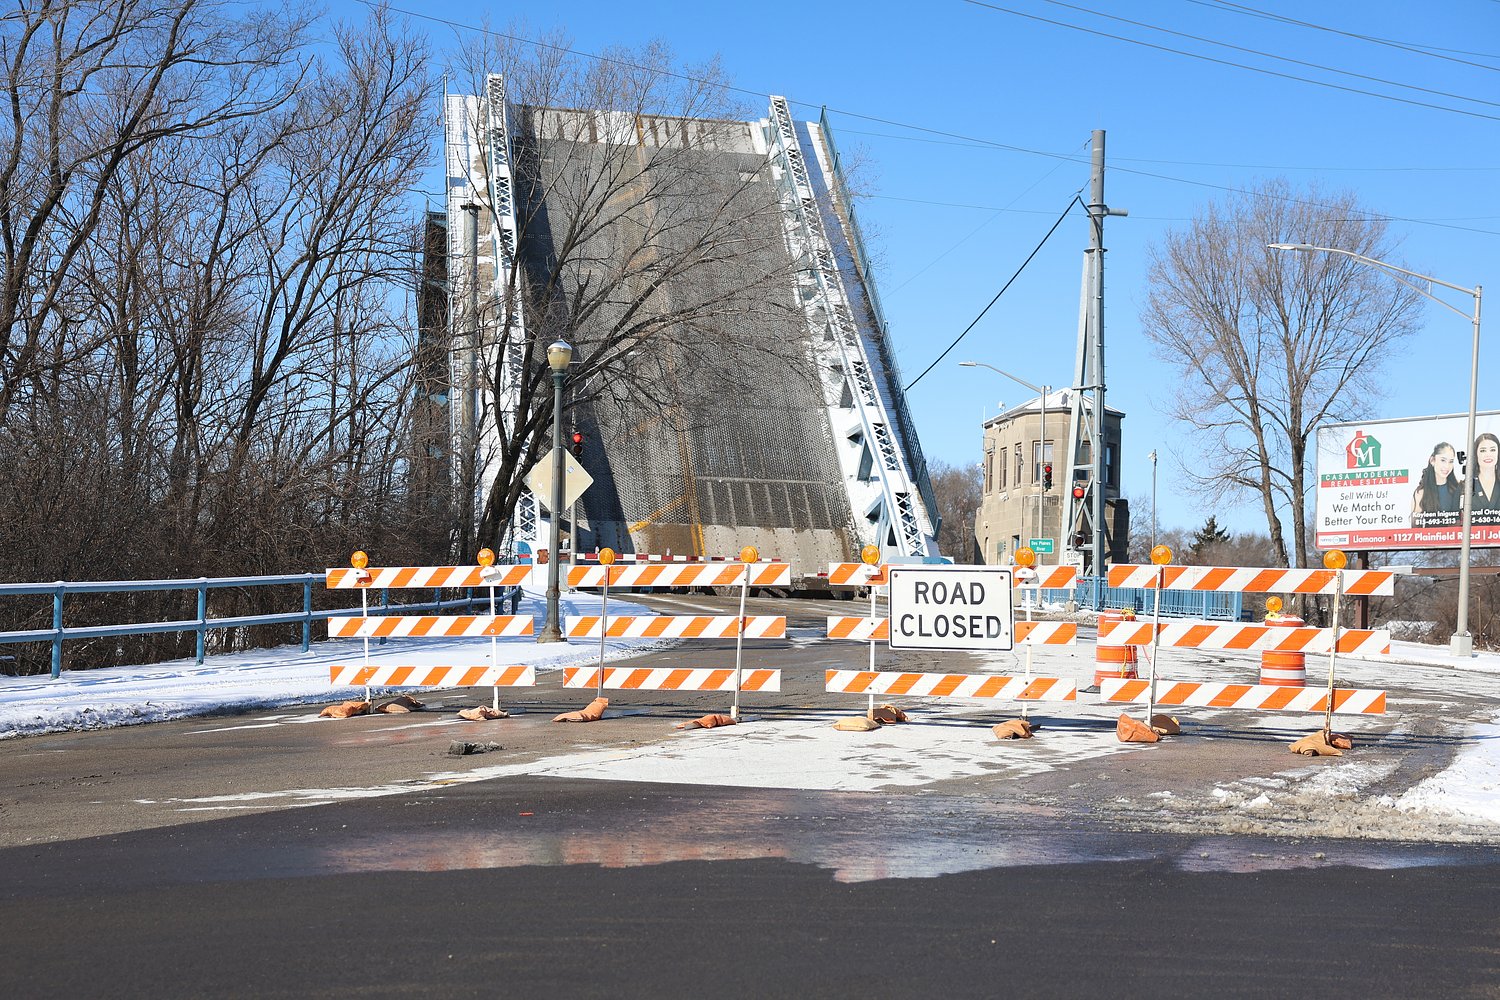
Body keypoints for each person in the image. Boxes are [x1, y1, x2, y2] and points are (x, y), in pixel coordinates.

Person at [1412, 441, 1462, 514]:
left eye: (1451, 461)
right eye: (1443, 460)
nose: (1447, 466)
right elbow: (1415, 523)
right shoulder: (1421, 493)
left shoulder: (1458, 488)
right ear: (1432, 460)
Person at [1471, 432, 1500, 512]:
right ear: (1476, 454)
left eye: (1493, 450)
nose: (1488, 454)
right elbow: (1456, 521)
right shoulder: (1465, 486)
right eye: (1483, 450)